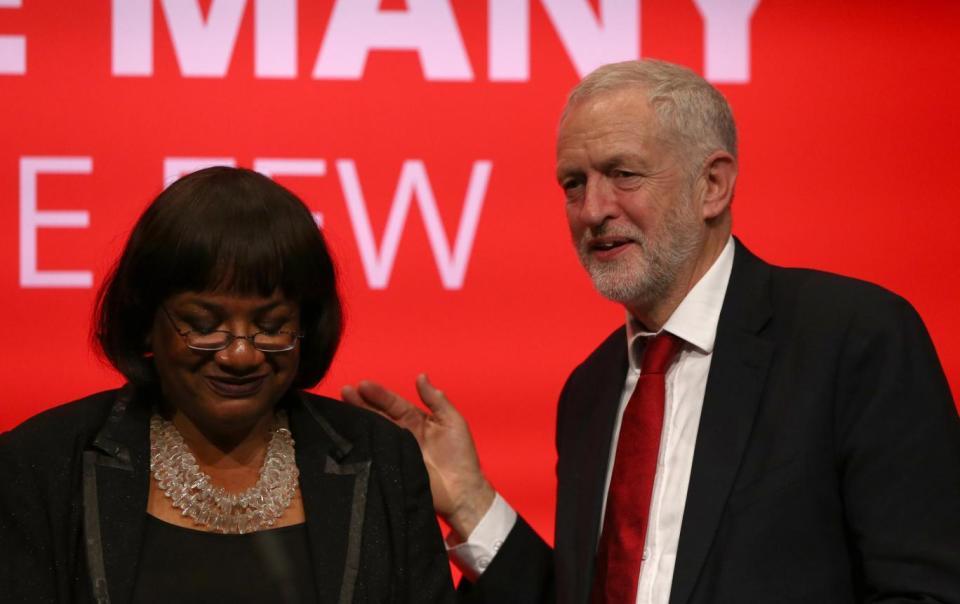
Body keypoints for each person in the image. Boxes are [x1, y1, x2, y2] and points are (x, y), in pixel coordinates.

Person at [343, 60, 960, 603]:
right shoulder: (590, 389)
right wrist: (471, 500)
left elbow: (928, 589)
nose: (592, 210)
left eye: (624, 174)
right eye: (574, 184)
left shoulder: (853, 339)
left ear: (712, 185)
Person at [0, 167, 456, 603]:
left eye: (272, 325)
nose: (241, 355)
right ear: (144, 322)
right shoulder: (41, 464)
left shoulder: (380, 458)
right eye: (204, 324)